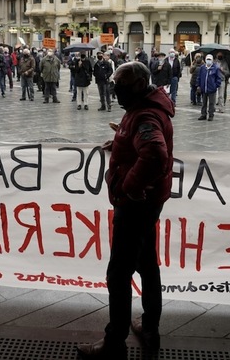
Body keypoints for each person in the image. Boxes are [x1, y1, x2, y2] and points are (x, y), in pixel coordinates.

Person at [76, 61, 174, 359]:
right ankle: (150, 329)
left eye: (120, 88)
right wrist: (121, 140)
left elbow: (155, 153)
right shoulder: (145, 108)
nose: (115, 93)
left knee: (119, 273)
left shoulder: (145, 114)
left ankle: (114, 343)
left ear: (137, 86)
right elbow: (142, 142)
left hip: (135, 207)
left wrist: (129, 187)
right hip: (148, 204)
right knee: (147, 265)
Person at [196, 54, 223, 121]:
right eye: (207, 59)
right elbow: (199, 77)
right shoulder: (202, 68)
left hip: (212, 89)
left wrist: (215, 86)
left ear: (212, 60)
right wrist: (198, 85)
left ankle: (211, 115)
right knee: (204, 102)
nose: (208, 61)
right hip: (204, 88)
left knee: (211, 103)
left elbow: (219, 78)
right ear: (205, 60)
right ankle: (203, 114)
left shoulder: (215, 68)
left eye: (210, 60)